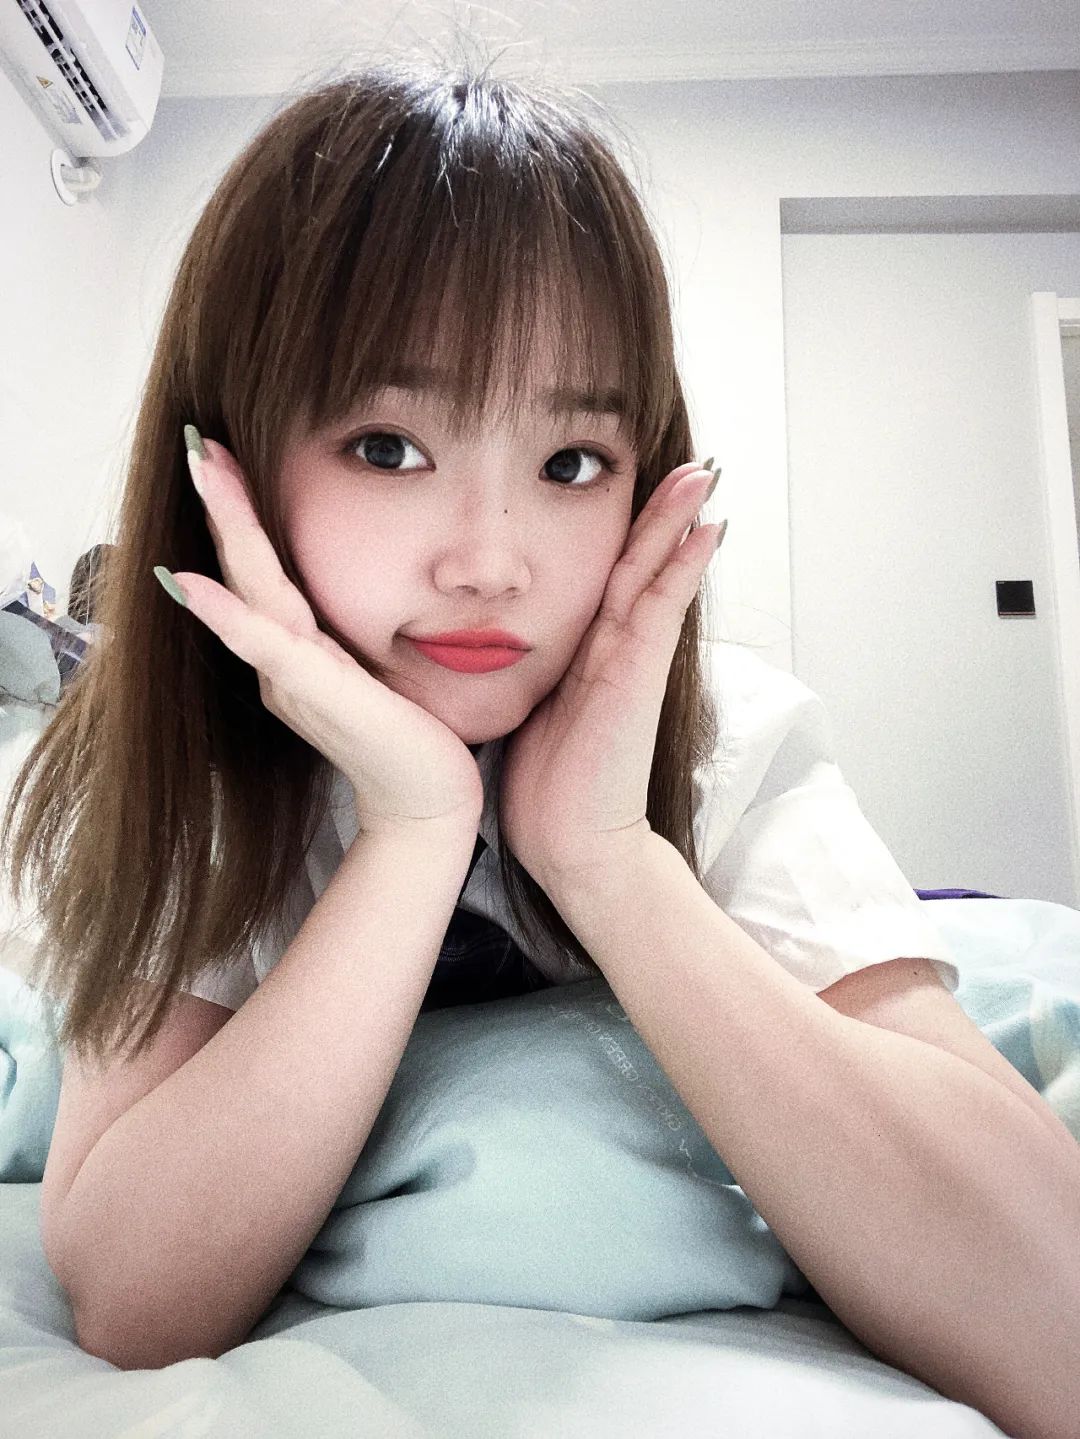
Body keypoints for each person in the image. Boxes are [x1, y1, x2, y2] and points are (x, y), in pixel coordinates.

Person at [7, 57, 1056, 1412]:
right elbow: (137, 1300)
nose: (493, 564)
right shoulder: (189, 773)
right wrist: (414, 832)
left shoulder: (725, 739)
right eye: (388, 447)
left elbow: (1053, 1311)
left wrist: (607, 856)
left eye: (571, 464)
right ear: (233, 465)